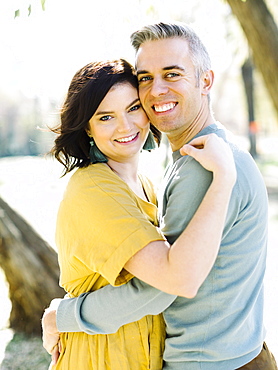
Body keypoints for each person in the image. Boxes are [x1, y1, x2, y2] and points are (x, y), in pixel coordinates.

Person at [42, 57, 237, 370]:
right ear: (88, 128)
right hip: (101, 357)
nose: (126, 126)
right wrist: (224, 178)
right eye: (106, 117)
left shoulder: (144, 184)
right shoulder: (93, 188)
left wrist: (58, 316)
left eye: (133, 108)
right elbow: (175, 279)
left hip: (141, 353)